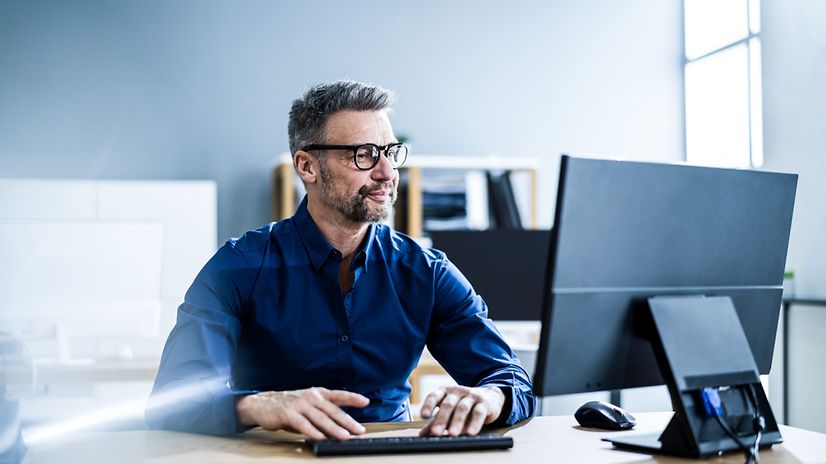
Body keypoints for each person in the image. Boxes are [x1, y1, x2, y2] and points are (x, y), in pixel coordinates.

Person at [146, 80, 535, 440]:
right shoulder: (238, 267)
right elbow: (172, 402)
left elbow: (511, 381)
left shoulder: (427, 271)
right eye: (363, 155)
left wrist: (490, 398)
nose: (386, 172)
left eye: (390, 152)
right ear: (306, 166)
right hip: (276, 456)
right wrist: (258, 404)